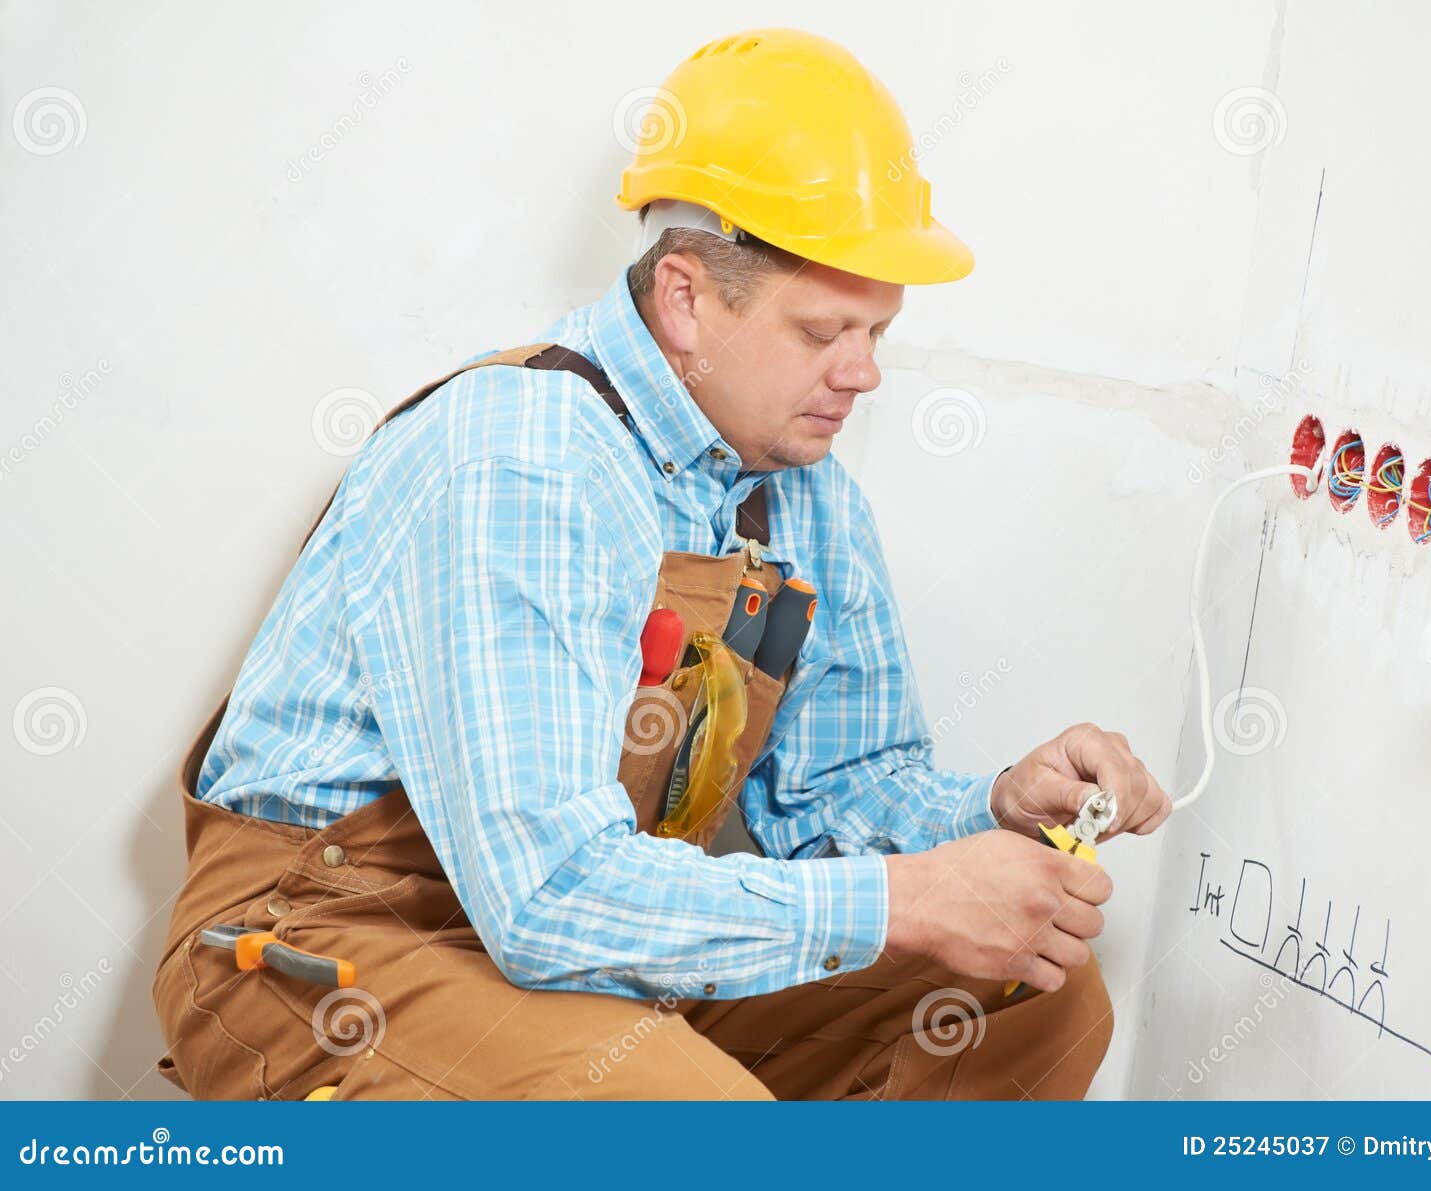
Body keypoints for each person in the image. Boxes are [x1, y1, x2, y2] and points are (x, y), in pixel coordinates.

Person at [152, 26, 1171, 1102]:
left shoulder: (805, 494)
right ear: (685, 298)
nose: (863, 373)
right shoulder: (522, 458)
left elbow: (836, 802)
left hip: (570, 949)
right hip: (328, 945)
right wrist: (905, 901)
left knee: (1029, 1000)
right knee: (691, 1120)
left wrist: (998, 812)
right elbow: (543, 894)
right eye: (823, 329)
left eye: (878, 331)